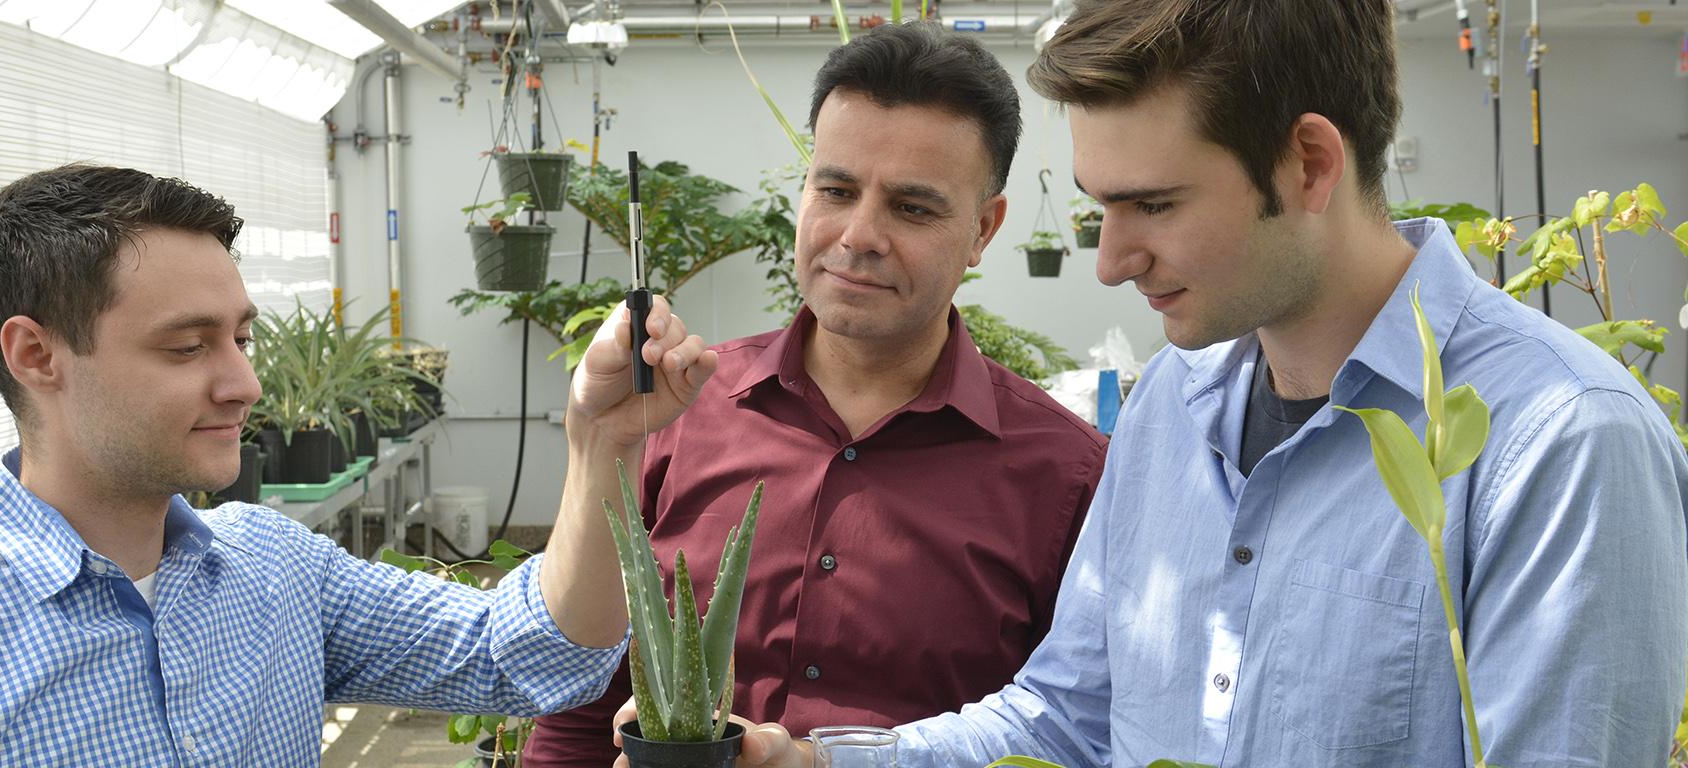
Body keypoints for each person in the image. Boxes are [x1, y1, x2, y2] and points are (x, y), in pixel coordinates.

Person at [704, 1, 1688, 766]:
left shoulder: (1559, 444)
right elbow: (1068, 721)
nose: (1111, 261)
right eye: (1101, 208)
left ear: (1308, 165)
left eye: (1155, 205)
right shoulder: (1175, 404)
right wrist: (814, 760)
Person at [0, 164, 718, 765]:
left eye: (241, 337)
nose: (245, 383)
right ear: (35, 355)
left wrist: (602, 441)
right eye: (187, 347)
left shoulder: (271, 567)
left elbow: (530, 655)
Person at [524, 22, 1107, 768]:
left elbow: (1069, 730)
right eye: (836, 190)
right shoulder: (677, 411)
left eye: (913, 207)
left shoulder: (1067, 476)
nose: (859, 235)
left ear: (982, 230)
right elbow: (580, 696)